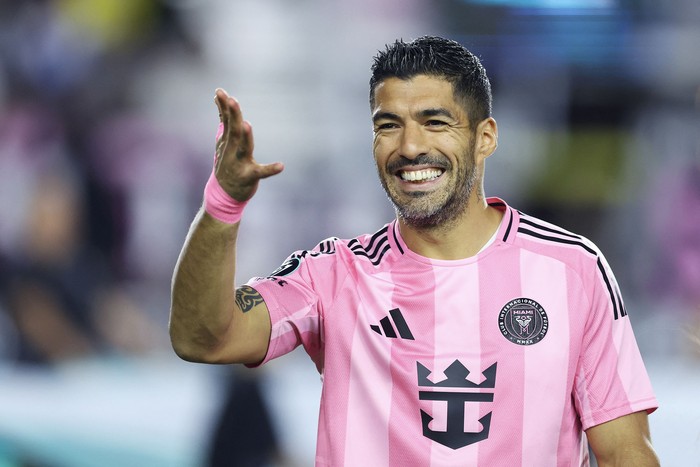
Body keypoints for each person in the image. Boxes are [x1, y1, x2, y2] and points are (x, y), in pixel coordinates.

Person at [170, 36, 659, 466]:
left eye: (434, 122)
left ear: (485, 137)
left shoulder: (572, 269)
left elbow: (623, 452)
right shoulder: (335, 273)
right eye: (388, 125)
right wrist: (224, 202)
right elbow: (202, 339)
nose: (409, 147)